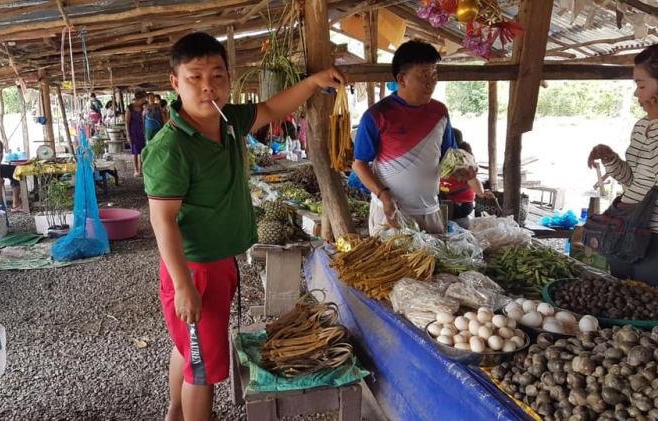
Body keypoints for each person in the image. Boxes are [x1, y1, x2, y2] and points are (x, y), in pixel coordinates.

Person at [141, 32, 345, 421]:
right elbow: (161, 220)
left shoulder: (228, 118)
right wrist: (183, 285)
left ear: (229, 78)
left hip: (218, 262)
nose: (207, 87)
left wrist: (312, 82)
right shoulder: (171, 148)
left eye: (217, 76)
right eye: (195, 77)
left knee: (190, 347)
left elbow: (270, 108)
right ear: (175, 82)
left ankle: (174, 413)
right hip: (195, 267)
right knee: (203, 370)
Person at [352, 40, 475, 235]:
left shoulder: (439, 112)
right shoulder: (377, 115)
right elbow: (359, 164)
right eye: (424, 76)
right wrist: (384, 196)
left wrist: (463, 170)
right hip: (390, 213)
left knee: (431, 265)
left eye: (434, 74)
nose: (431, 83)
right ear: (401, 80)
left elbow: (449, 157)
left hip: (431, 211)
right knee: (390, 264)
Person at [587, 40, 658, 293]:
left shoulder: (655, 124)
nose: (637, 94)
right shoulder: (643, 126)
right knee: (625, 307)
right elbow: (636, 182)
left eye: (641, 85)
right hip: (628, 235)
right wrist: (611, 160)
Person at [439, 129, 493, 227]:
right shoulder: (443, 159)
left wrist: (480, 193)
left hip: (459, 205)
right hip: (445, 200)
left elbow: (472, 179)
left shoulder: (462, 160)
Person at [125, 91, 147, 177]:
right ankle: (135, 170)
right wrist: (128, 135)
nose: (144, 101)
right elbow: (127, 122)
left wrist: (144, 130)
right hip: (132, 131)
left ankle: (140, 170)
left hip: (140, 131)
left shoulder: (142, 108)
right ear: (139, 99)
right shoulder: (129, 108)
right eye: (143, 100)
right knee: (134, 152)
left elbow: (142, 120)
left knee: (141, 151)